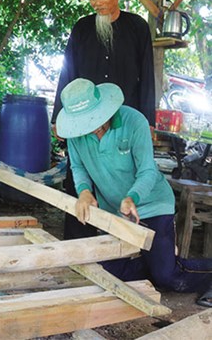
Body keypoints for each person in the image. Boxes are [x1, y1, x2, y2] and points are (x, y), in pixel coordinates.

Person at [56, 78, 212, 307]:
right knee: (106, 272)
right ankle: (161, 257)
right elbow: (78, 167)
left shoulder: (134, 121)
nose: (88, 128)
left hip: (152, 203)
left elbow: (148, 171)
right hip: (115, 210)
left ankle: (175, 265)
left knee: (168, 277)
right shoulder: (76, 134)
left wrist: (132, 198)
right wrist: (84, 192)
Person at [51, 0, 156, 239]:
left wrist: (149, 121)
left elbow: (146, 76)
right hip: (82, 120)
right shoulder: (82, 28)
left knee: (122, 179)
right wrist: (57, 118)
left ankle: (121, 245)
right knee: (80, 178)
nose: (97, 2)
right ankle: (77, 242)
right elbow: (67, 73)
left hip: (122, 122)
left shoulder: (137, 28)